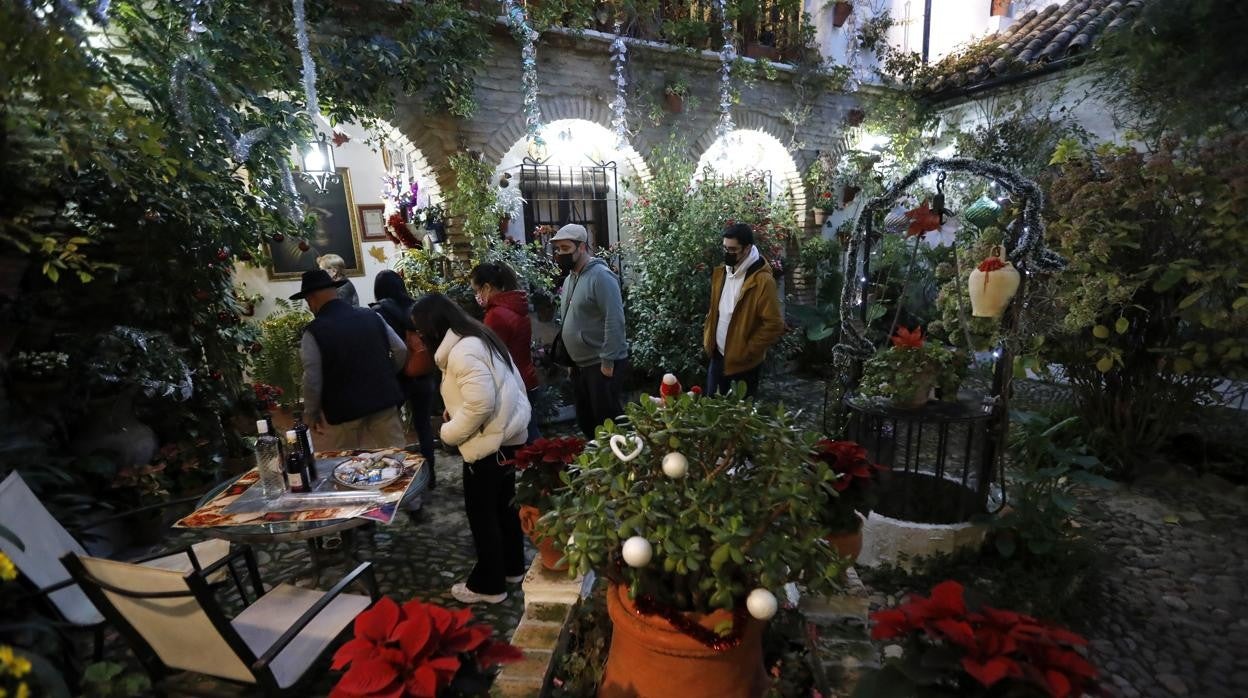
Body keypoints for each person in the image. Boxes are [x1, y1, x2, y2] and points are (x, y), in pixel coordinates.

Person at [409, 293, 530, 604]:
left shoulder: (463, 351)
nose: (418, 338)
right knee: (504, 507)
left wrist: (449, 432)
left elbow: (480, 403)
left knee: (482, 514)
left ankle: (489, 586)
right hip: (507, 437)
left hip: (488, 444)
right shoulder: (477, 337)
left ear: (433, 328)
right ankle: (513, 567)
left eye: (419, 331)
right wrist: (457, 411)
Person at [292, 269, 407, 450]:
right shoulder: (372, 315)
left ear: (311, 299)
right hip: (383, 399)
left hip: (343, 410)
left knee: (344, 465)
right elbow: (400, 349)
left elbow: (312, 378)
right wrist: (387, 372)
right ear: (336, 292)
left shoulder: (314, 331)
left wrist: (311, 413)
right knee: (398, 456)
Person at [551, 223, 628, 440]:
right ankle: (598, 465)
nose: (560, 254)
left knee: (608, 421)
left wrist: (608, 360)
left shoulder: (601, 277)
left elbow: (615, 319)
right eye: (557, 249)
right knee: (586, 420)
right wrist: (570, 361)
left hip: (600, 363)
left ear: (582, 247)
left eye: (565, 249)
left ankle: (624, 463)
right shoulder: (569, 279)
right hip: (580, 365)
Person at [372, 270, 439, 490]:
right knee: (423, 426)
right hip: (423, 373)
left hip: (397, 378)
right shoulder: (416, 307)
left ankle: (401, 481)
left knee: (394, 432)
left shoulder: (379, 312)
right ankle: (430, 476)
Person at [702, 222, 785, 399]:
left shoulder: (762, 281)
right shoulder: (722, 272)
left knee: (737, 421)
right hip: (717, 357)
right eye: (725, 248)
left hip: (743, 365)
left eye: (733, 250)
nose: (727, 253)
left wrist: (747, 350)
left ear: (747, 248)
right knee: (710, 411)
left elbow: (774, 324)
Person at [470, 262, 540, 443]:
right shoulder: (515, 306)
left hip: (513, 384)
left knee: (527, 439)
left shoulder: (497, 315)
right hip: (526, 377)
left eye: (477, 290)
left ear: (487, 287)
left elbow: (490, 356)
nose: (476, 296)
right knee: (530, 434)